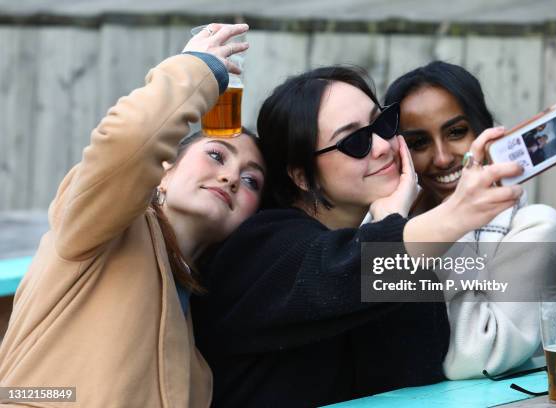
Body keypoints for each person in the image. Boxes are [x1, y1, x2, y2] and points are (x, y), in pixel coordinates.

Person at [191, 65, 525, 407]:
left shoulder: (371, 239)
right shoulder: (258, 246)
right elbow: (332, 271)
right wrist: (454, 212)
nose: (382, 146)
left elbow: (417, 370)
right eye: (355, 141)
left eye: (382, 124)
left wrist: (394, 220)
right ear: (302, 176)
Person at [0, 23, 264, 407]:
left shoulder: (197, 354)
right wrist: (195, 68)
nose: (230, 177)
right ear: (166, 170)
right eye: (215, 155)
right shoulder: (104, 225)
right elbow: (127, 141)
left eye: (252, 179)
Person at [384, 60, 556, 380]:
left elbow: (475, 357)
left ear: (484, 131)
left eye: (456, 132)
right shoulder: (387, 217)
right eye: (419, 143)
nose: (441, 157)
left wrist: (448, 227)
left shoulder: (535, 227)